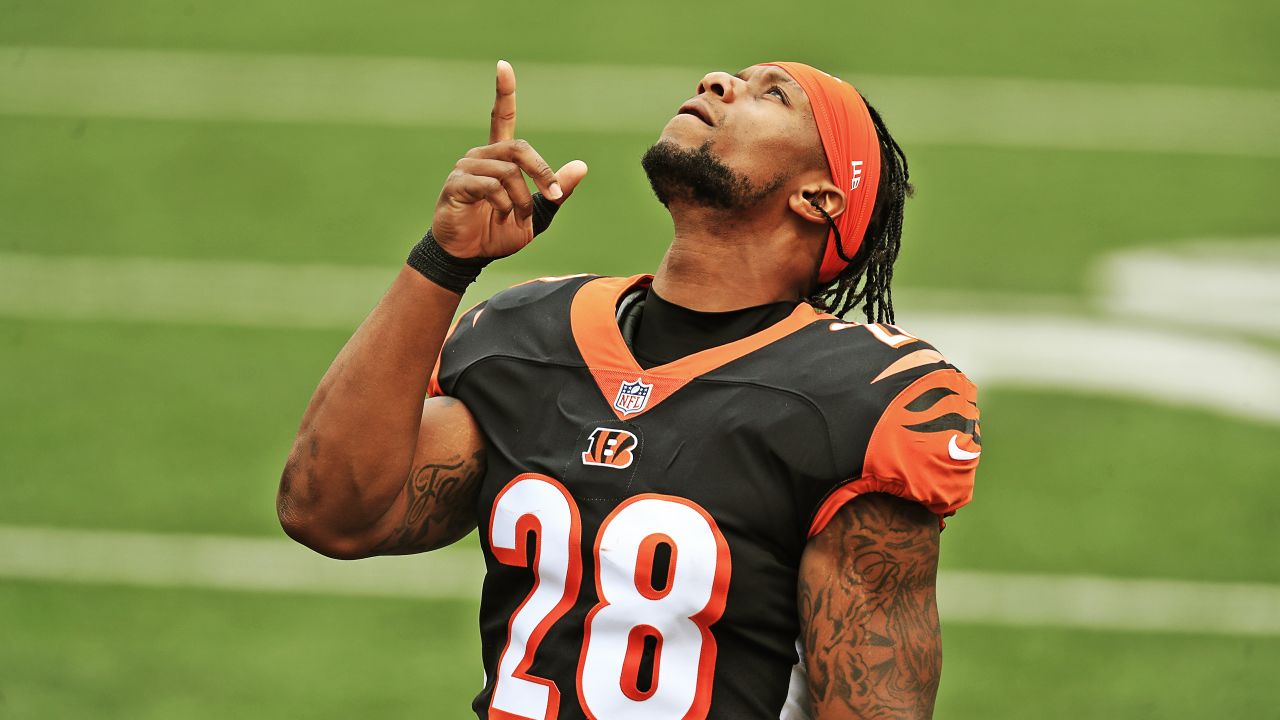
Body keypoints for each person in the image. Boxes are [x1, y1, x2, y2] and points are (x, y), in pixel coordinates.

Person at [278, 59, 981, 719]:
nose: (718, 81)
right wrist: (443, 262)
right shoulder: (526, 333)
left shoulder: (853, 397)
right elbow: (330, 513)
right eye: (734, 76)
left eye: (774, 94)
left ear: (817, 197)